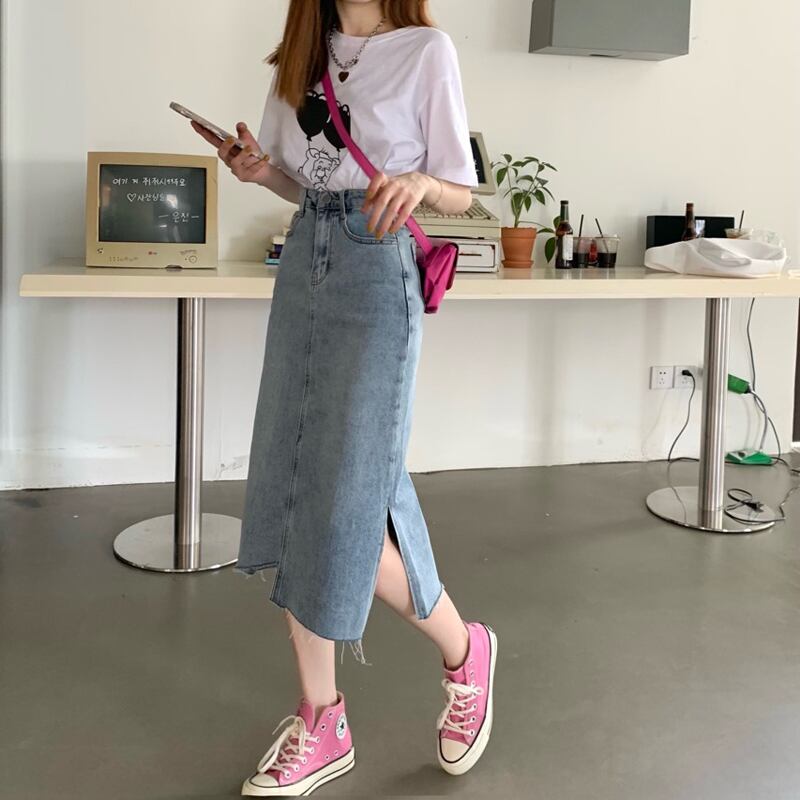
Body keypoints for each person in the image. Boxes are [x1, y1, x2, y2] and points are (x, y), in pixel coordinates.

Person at [191, 1, 497, 795]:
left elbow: (462, 191)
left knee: (351, 495)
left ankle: (466, 651)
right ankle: (322, 716)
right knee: (296, 483)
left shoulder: (426, 50)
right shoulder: (303, 51)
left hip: (378, 266)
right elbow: (304, 183)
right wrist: (258, 171)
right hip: (306, 261)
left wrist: (422, 182)